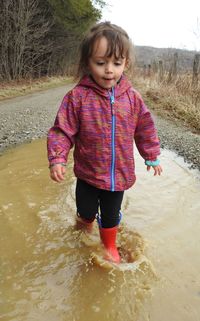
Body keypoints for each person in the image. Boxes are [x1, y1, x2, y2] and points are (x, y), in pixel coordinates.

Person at [47, 21, 162, 264]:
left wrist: (151, 154)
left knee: (111, 215)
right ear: (87, 63)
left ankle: (109, 246)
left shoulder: (132, 99)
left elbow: (145, 127)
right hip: (88, 175)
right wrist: (57, 158)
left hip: (118, 176)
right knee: (86, 212)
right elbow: (61, 130)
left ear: (125, 64)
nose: (109, 70)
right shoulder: (77, 97)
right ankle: (83, 229)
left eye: (116, 63)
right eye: (101, 63)